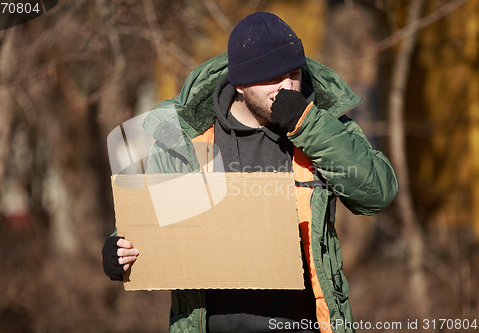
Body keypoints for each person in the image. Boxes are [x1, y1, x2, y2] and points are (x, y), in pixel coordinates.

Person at [102, 12, 398, 333]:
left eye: (294, 74)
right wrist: (118, 252)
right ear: (240, 84)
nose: (287, 87)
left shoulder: (324, 123)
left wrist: (307, 125)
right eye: (272, 78)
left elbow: (377, 193)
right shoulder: (187, 137)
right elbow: (147, 226)